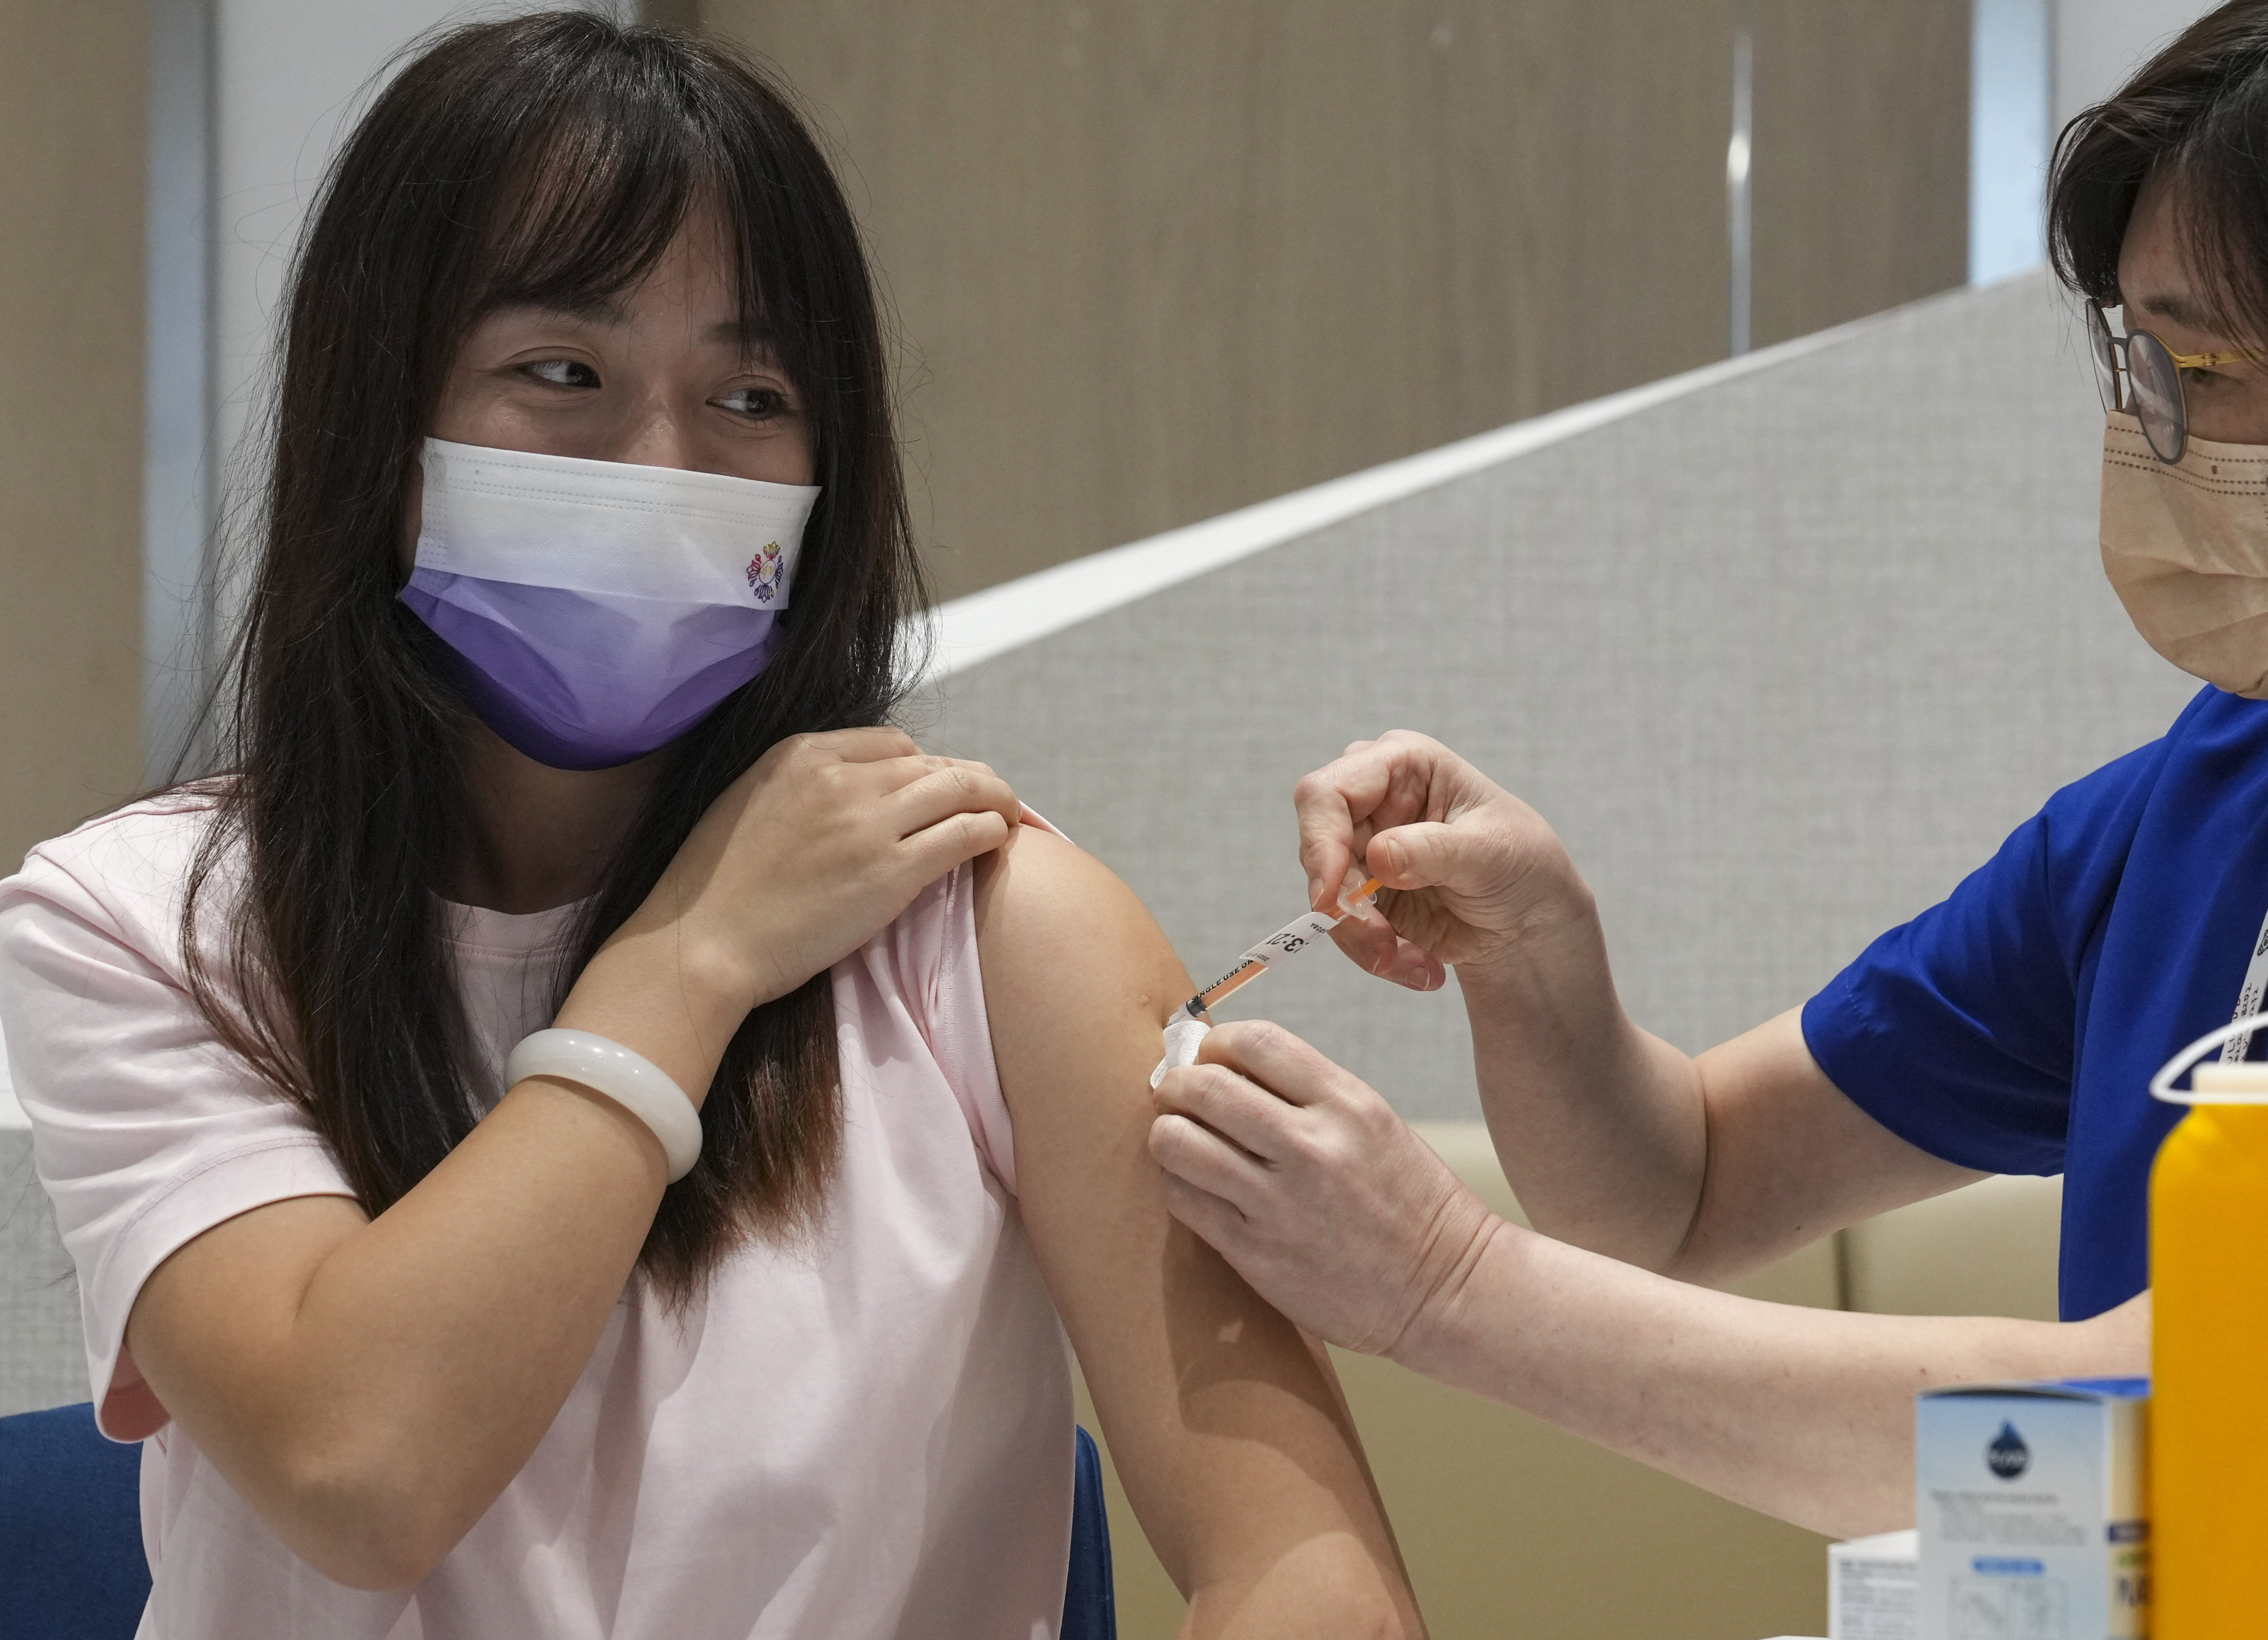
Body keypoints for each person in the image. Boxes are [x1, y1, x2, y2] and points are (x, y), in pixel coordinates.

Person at [0, 15, 1422, 1637]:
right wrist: (693, 956)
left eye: (750, 394)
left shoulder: (997, 922)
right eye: (563, 374)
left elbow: (1310, 1573)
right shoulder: (142, 925)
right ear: (376, 419)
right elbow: (361, 1467)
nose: (664, 465)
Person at [1146, 0, 2268, 1538]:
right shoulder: (2226, 791)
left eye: (2204, 370)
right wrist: (1537, 951)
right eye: (2134, 363)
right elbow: (1680, 1191)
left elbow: (2179, 1437)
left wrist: (1440, 1286)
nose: (2145, 433)